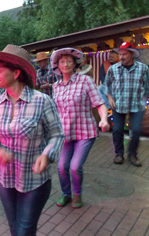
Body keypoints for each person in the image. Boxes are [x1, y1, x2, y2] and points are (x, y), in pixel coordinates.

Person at [0, 45, 65, 236]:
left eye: (0, 71)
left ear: (16, 73)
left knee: (25, 230)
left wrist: (46, 154)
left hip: (34, 181)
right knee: (14, 228)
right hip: (4, 179)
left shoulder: (41, 101)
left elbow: (57, 134)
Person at [51, 48, 109, 209]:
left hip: (85, 131)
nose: (66, 64)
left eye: (69, 61)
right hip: (65, 133)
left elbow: (99, 103)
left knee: (75, 166)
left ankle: (77, 195)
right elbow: (54, 111)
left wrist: (103, 119)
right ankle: (66, 194)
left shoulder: (85, 81)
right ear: (58, 65)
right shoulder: (56, 86)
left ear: (75, 63)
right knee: (62, 167)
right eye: (62, 61)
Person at [105, 42, 149, 167]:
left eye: (124, 54)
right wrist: (109, 97)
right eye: (120, 54)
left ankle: (132, 154)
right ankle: (119, 154)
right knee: (117, 130)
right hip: (118, 104)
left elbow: (148, 87)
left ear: (131, 54)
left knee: (136, 130)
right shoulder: (113, 69)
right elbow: (107, 85)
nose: (121, 57)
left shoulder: (143, 69)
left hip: (136, 104)